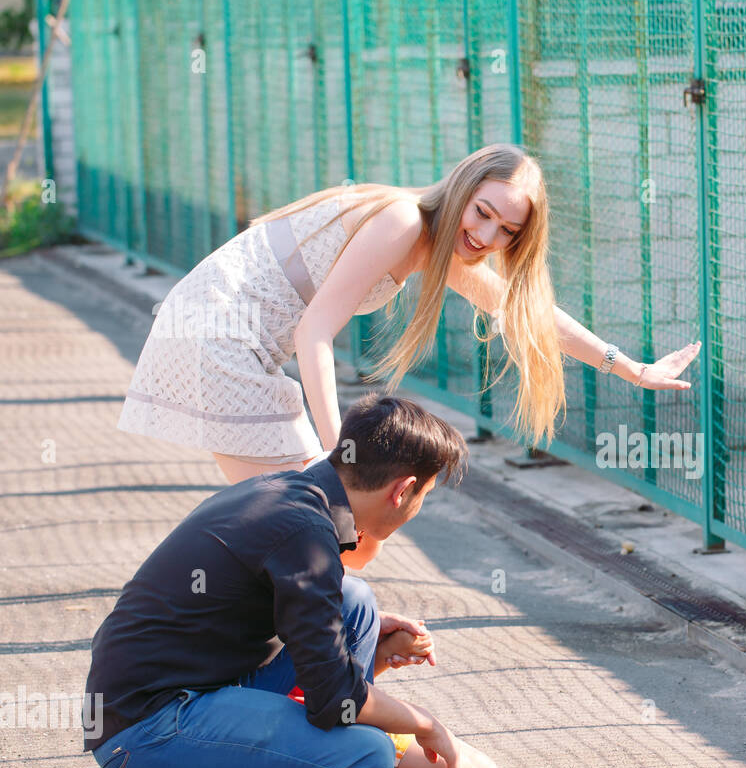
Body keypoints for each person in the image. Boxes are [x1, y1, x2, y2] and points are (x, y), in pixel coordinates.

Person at [117, 143, 702, 502]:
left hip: (225, 338)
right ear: (462, 189)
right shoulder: (401, 221)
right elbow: (314, 332)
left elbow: (525, 312)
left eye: (508, 232)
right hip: (214, 333)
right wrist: (337, 448)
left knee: (309, 525)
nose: (487, 237)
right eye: (483, 213)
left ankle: (282, 659)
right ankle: (279, 666)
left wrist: (630, 368)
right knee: (312, 518)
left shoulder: (441, 245)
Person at [84, 394, 497, 768]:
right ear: (403, 489)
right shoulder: (305, 529)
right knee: (367, 756)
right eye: (424, 494)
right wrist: (427, 727)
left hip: (174, 692)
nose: (419, 505)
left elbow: (319, 633)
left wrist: (362, 640)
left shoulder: (291, 492)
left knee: (355, 604)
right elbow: (333, 703)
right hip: (146, 728)